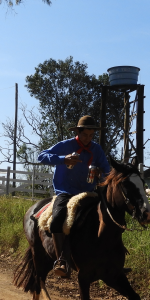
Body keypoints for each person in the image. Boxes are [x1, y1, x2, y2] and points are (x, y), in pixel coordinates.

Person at [38, 115, 111, 278]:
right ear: (78, 132)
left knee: (110, 215)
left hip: (89, 192)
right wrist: (63, 159)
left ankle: (112, 257)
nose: (88, 138)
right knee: (57, 220)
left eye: (91, 135)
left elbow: (107, 171)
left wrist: (101, 174)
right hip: (65, 192)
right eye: (85, 135)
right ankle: (61, 260)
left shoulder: (96, 149)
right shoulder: (66, 145)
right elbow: (41, 156)